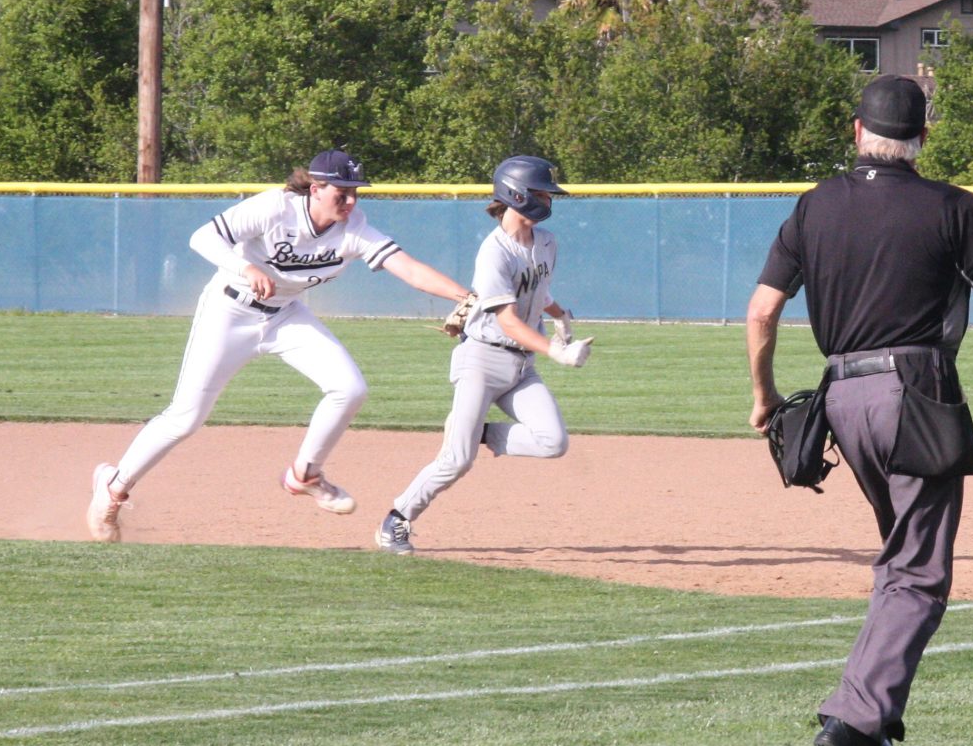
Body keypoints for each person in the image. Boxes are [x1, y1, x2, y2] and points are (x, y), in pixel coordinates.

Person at [747, 74, 973, 746]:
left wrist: (764, 396)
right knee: (920, 569)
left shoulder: (813, 206)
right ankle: (857, 720)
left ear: (856, 131)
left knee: (901, 555)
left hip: (840, 396)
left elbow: (762, 310)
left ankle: (866, 709)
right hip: (914, 391)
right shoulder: (953, 207)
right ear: (922, 138)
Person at [86, 149, 472, 542]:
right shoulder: (276, 208)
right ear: (316, 188)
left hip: (285, 315)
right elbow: (202, 237)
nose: (352, 200)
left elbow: (406, 266)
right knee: (186, 417)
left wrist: (466, 298)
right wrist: (246, 267)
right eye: (343, 192)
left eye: (356, 191)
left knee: (350, 388)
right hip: (229, 312)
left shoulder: (354, 228)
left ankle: (305, 474)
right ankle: (113, 489)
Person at [374, 155, 593, 556]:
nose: (548, 198)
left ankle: (480, 432)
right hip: (483, 359)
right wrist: (557, 353)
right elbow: (508, 320)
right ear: (516, 194)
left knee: (552, 441)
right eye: (541, 191)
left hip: (522, 366)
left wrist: (559, 315)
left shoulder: (546, 242)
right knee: (456, 461)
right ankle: (397, 519)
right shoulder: (493, 252)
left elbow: (535, 289)